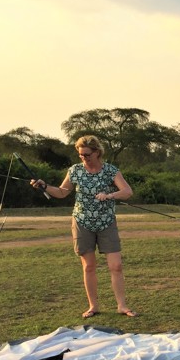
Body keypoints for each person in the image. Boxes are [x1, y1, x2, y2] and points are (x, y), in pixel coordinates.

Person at [31, 135, 138, 318]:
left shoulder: (110, 171)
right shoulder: (75, 170)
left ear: (97, 153)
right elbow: (62, 192)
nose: (84, 158)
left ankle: (122, 306)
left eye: (87, 154)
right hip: (82, 222)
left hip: (106, 222)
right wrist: (45, 187)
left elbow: (127, 192)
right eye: (80, 155)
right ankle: (93, 306)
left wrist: (110, 195)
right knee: (89, 266)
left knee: (116, 265)